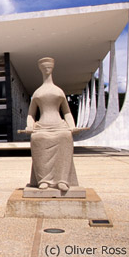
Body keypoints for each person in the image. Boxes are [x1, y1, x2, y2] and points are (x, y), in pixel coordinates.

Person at [24, 57, 80, 191]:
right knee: (37, 139)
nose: (47, 69)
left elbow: (66, 112)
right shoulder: (37, 92)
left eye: (49, 67)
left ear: (52, 68)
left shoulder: (59, 91)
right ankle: (43, 179)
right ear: (40, 69)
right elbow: (31, 114)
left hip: (59, 125)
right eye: (44, 67)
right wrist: (29, 126)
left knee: (65, 137)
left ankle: (62, 179)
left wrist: (71, 126)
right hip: (42, 126)